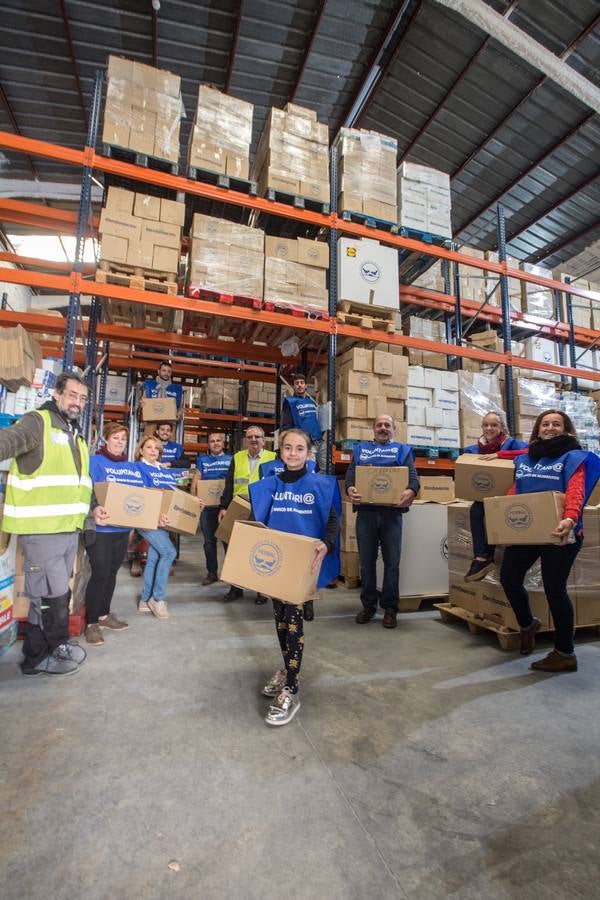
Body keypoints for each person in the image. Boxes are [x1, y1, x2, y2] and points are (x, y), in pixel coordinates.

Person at [0, 371, 101, 676]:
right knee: (50, 596)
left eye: (83, 398)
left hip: (67, 529)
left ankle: (44, 650)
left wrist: (93, 509)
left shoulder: (75, 433)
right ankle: (43, 653)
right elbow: (8, 442)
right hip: (43, 530)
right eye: (73, 395)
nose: (78, 402)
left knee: (50, 595)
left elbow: (82, 481)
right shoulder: (38, 422)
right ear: (57, 394)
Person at [249, 428, 340, 726]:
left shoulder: (320, 486)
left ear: (309, 454)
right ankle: (287, 670)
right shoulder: (268, 486)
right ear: (280, 452)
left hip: (303, 565)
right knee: (279, 620)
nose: (292, 453)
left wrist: (327, 544)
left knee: (294, 623)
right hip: (276, 563)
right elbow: (256, 521)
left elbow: (331, 521)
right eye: (287, 448)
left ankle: (292, 688)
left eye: (299, 448)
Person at [499, 409, 600, 673]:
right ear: (538, 430)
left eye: (557, 424)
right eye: (546, 424)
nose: (551, 428)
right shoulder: (526, 459)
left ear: (566, 430)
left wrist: (569, 519)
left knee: (555, 590)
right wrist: (504, 521)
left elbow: (575, 491)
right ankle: (527, 624)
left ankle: (565, 653)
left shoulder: (573, 456)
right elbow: (516, 493)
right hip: (528, 532)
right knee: (509, 577)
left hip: (561, 532)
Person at [345, 414, 420, 629]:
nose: (383, 428)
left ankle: (390, 609)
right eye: (379, 425)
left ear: (394, 430)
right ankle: (368, 606)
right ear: (373, 429)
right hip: (366, 514)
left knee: (392, 563)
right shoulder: (361, 450)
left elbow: (414, 479)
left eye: (387, 425)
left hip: (391, 515)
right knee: (367, 563)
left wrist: (410, 490)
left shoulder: (402, 451)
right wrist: (350, 489)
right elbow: (350, 477)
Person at [84, 423, 141, 645]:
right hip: (101, 527)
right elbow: (86, 488)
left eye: (123, 439)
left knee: (112, 572)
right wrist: (94, 506)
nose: (119, 442)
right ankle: (91, 623)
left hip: (122, 528)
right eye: (115, 437)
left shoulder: (131, 466)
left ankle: (104, 615)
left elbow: (139, 495)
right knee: (99, 572)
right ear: (106, 439)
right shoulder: (95, 462)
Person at [463, 411, 527, 582]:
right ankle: (481, 557)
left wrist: (500, 455)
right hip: (485, 494)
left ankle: (485, 557)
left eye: (494, 425)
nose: (489, 428)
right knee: (476, 510)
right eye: (486, 425)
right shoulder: (474, 448)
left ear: (502, 427)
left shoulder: (512, 444)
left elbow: (529, 452)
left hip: (509, 494)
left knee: (493, 510)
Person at [218, 426, 276, 603]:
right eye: (249, 437)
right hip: (239, 506)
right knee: (231, 547)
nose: (253, 440)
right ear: (245, 440)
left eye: (257, 437)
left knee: (261, 549)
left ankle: (261, 590)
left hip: (263, 508)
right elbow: (229, 484)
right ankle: (236, 588)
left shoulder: (273, 458)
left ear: (263, 440)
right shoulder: (237, 457)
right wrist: (224, 507)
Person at [135, 435, 178, 619]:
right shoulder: (138, 468)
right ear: (141, 450)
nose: (153, 451)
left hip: (163, 520)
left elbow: (173, 492)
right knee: (169, 553)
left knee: (154, 557)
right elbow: (141, 496)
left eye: (156, 448)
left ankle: (145, 599)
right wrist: (154, 513)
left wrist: (194, 502)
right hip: (146, 519)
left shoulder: (162, 469)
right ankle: (157, 599)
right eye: (149, 447)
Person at [192, 431, 232, 586]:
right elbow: (196, 479)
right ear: (208, 444)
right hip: (207, 507)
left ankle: (231, 574)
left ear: (223, 444)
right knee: (209, 542)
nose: (215, 443)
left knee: (227, 542)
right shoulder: (202, 459)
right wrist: (193, 499)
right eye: (212, 441)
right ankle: (212, 572)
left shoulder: (231, 459)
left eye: (218, 441)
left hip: (224, 507)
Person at [281, 372, 325, 471]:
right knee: (310, 469)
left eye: (302, 383)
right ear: (294, 386)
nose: (299, 385)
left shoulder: (311, 401)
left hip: (319, 440)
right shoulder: (290, 401)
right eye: (297, 383)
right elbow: (286, 424)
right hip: (306, 442)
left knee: (326, 469)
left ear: (305, 385)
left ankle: (317, 486)